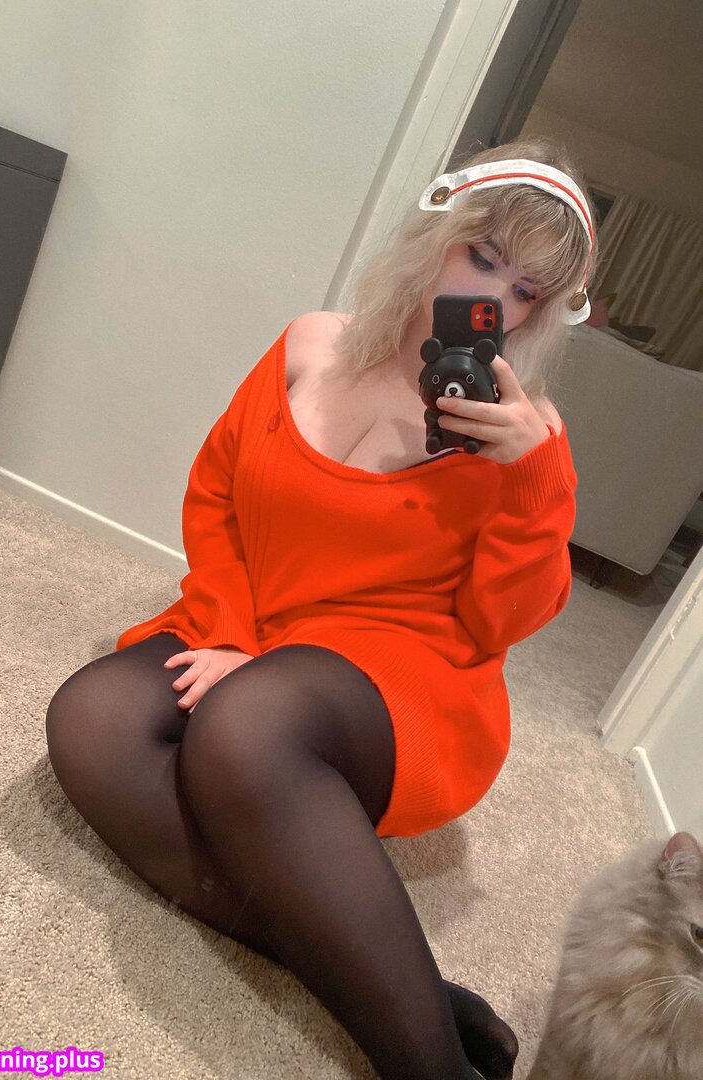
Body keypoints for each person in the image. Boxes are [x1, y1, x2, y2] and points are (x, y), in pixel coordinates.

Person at [44, 136, 595, 1080]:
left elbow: (502, 623)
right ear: (436, 238)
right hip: (251, 623)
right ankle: (406, 985)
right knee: (90, 720)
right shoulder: (310, 344)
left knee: (246, 725)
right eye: (483, 257)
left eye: (527, 290)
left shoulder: (527, 436)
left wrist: (528, 480)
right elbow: (218, 498)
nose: (496, 300)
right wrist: (230, 634)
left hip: (398, 671)